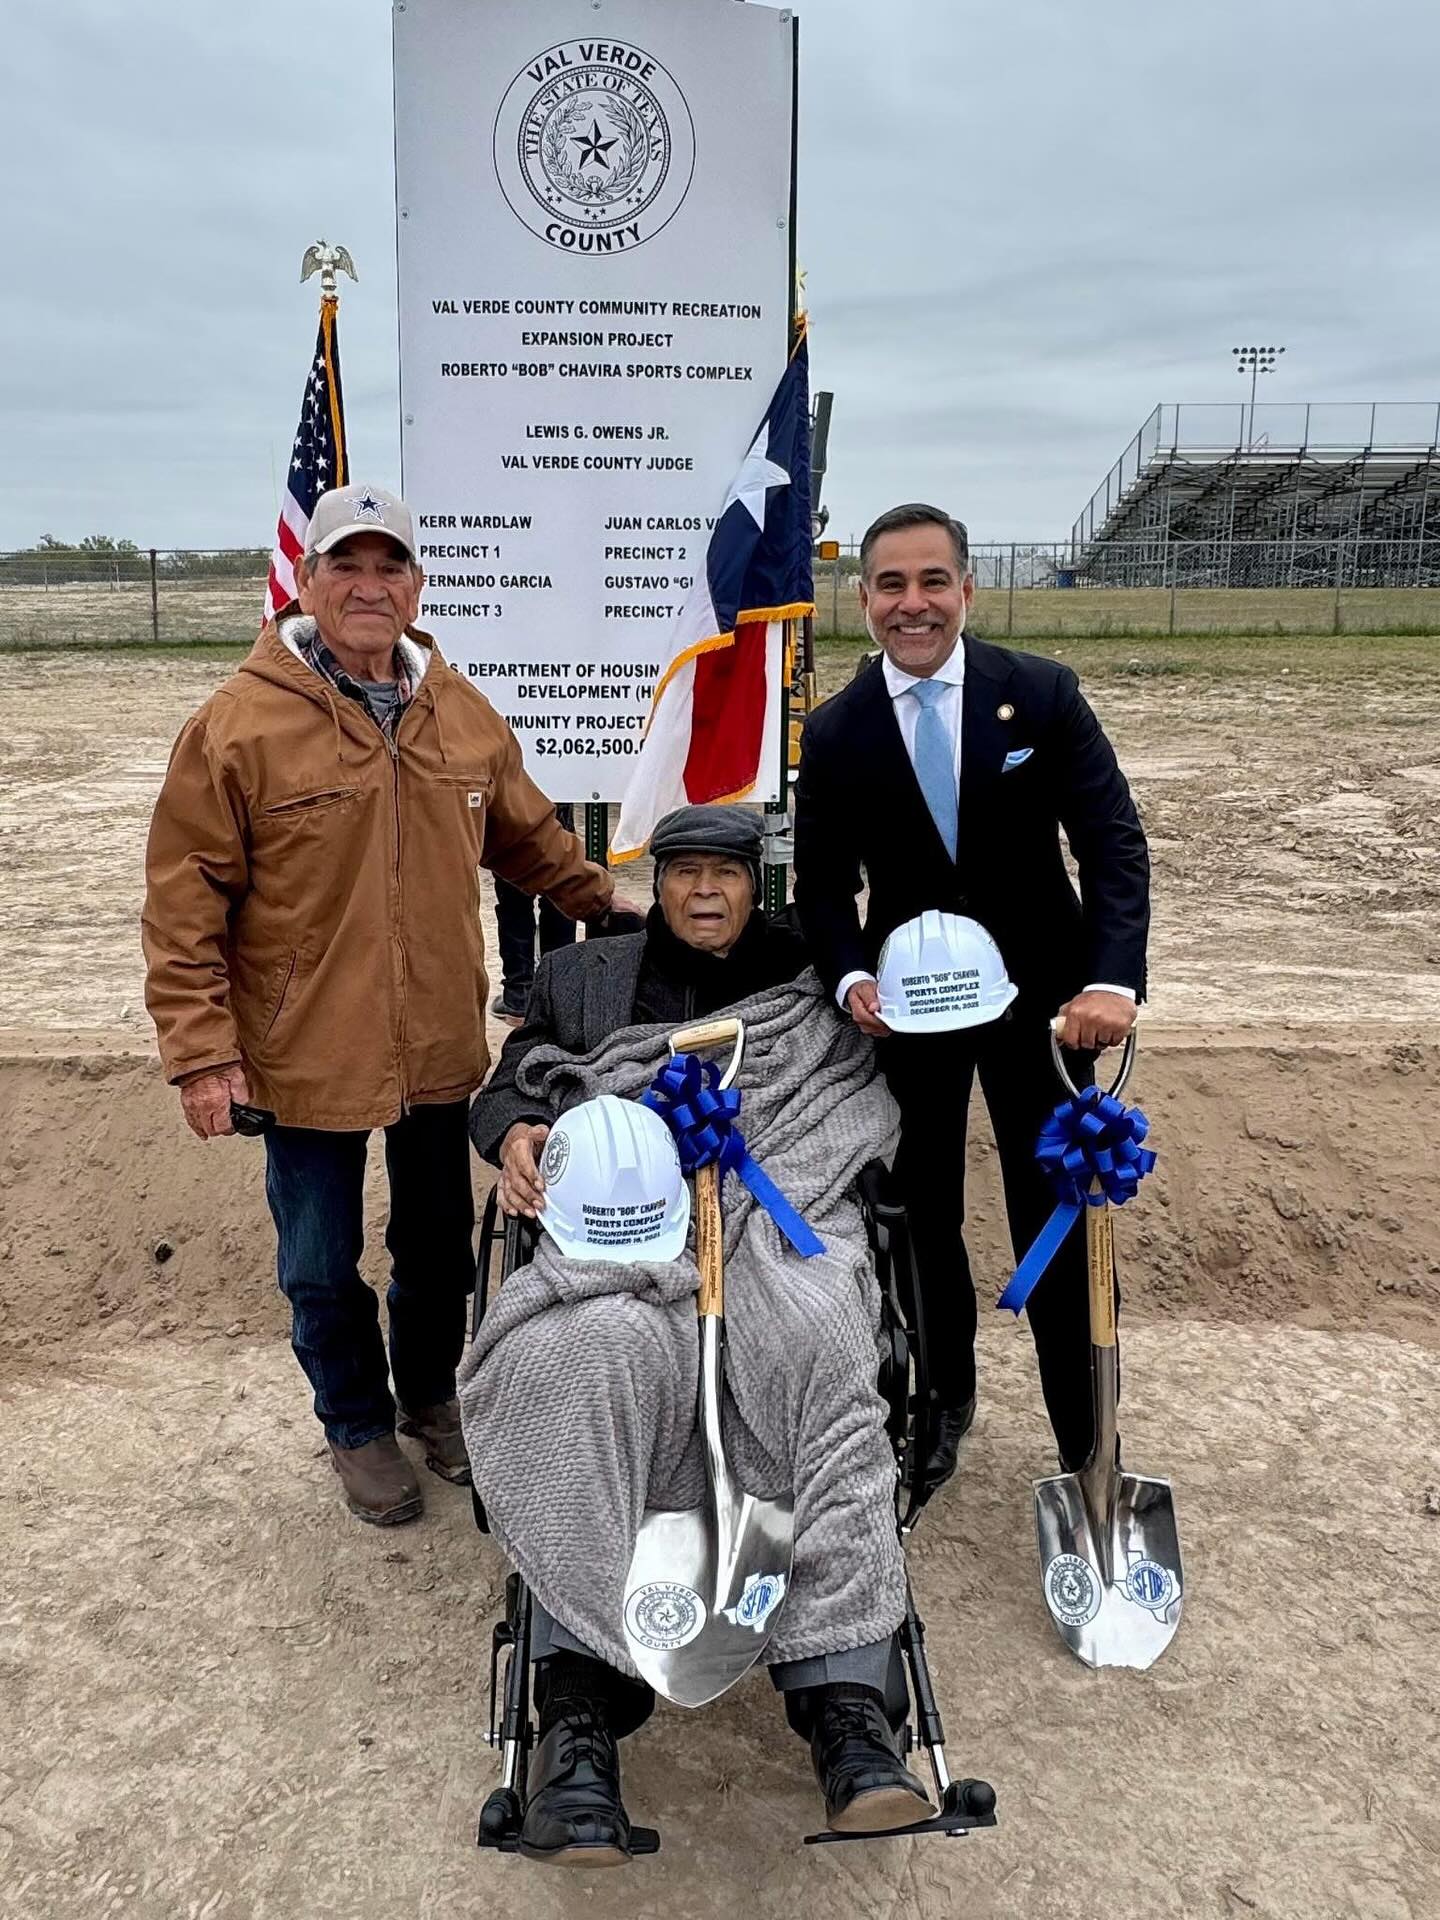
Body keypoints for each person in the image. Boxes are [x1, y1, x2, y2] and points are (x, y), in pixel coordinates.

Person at [141, 481, 621, 1527]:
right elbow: (184, 904)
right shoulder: (237, 726)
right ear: (306, 582)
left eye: (388, 565)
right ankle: (355, 1421)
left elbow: (531, 839)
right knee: (319, 1262)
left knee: (438, 1247)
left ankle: (433, 1399)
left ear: (416, 586)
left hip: (438, 1043)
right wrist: (199, 1051)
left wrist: (616, 905)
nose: (368, 586)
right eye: (345, 566)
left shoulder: (458, 708)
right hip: (299, 1050)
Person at [465, 805, 934, 1857]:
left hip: (779, 1220)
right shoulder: (588, 979)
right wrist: (519, 1130)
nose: (707, 893)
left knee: (815, 1338)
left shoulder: (812, 975)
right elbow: (510, 1081)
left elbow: (857, 1092)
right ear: (660, 884)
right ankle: (576, 1722)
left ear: (754, 883)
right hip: (622, 1236)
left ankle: (848, 1710)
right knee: (580, 1359)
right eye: (686, 875)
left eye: (728, 873)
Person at [793, 502, 1149, 1486]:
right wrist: (851, 974)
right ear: (862, 598)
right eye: (892, 585)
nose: (914, 604)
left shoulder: (1038, 696)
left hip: (1044, 1006)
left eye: (932, 581)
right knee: (921, 1213)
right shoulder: (836, 732)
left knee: (1059, 1209)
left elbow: (1111, 843)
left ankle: (1088, 1435)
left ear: (967, 588)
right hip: (910, 1014)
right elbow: (820, 885)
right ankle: (939, 1403)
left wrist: (1112, 977)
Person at [491, 803, 578, 1024]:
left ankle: (519, 995)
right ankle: (558, 994)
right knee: (558, 898)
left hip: (513, 816)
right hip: (557, 808)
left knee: (513, 904)